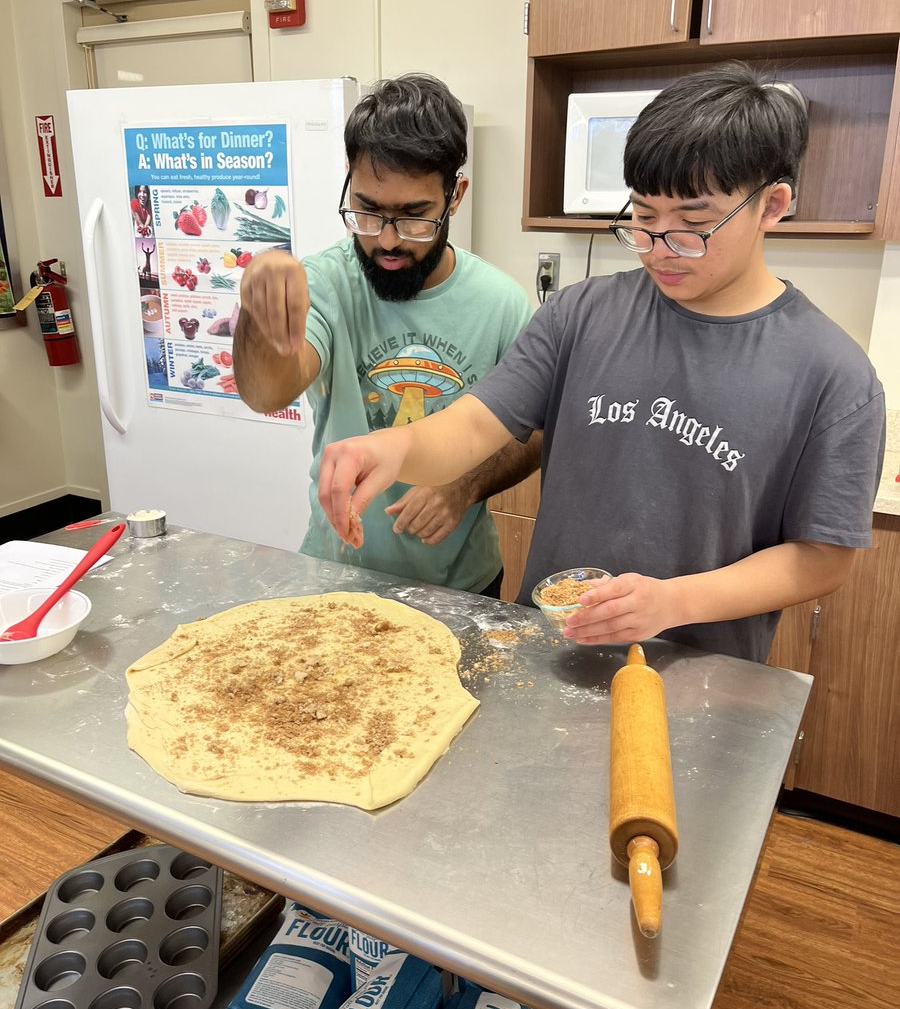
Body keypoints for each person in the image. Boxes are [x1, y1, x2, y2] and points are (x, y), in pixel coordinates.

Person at [317, 62, 886, 663]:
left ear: (771, 206)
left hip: (700, 669)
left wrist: (673, 602)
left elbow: (824, 556)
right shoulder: (581, 314)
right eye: (642, 218)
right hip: (547, 654)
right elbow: (478, 424)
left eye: (692, 225)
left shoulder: (832, 376)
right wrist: (395, 449)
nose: (658, 248)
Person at [234, 73, 540, 597]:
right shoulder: (326, 282)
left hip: (462, 585)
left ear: (455, 196)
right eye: (368, 211)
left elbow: (531, 435)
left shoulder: (502, 302)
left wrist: (463, 487)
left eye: (415, 217)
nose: (388, 240)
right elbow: (266, 393)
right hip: (339, 574)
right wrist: (260, 321)